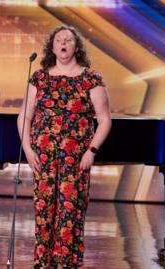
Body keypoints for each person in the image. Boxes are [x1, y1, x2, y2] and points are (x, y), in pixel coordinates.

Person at [17, 26, 111, 268]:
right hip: (43, 157)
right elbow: (25, 116)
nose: (63, 43)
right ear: (53, 46)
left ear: (76, 46)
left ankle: (67, 262)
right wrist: (27, 149)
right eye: (59, 39)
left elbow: (104, 120)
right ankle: (43, 261)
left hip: (76, 157)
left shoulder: (90, 78)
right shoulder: (39, 77)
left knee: (70, 213)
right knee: (44, 210)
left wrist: (92, 151)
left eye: (68, 39)